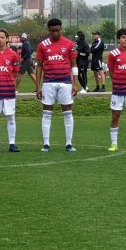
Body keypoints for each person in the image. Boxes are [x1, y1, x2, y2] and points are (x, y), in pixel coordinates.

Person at [35, 18, 79, 152]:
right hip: (48, 83)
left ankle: (69, 143)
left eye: (58, 30)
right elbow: (39, 67)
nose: (55, 33)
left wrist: (75, 84)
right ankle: (46, 143)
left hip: (66, 83)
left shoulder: (69, 44)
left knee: (67, 112)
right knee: (47, 113)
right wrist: (38, 86)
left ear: (61, 29)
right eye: (53, 31)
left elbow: (74, 65)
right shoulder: (43, 45)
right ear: (49, 30)